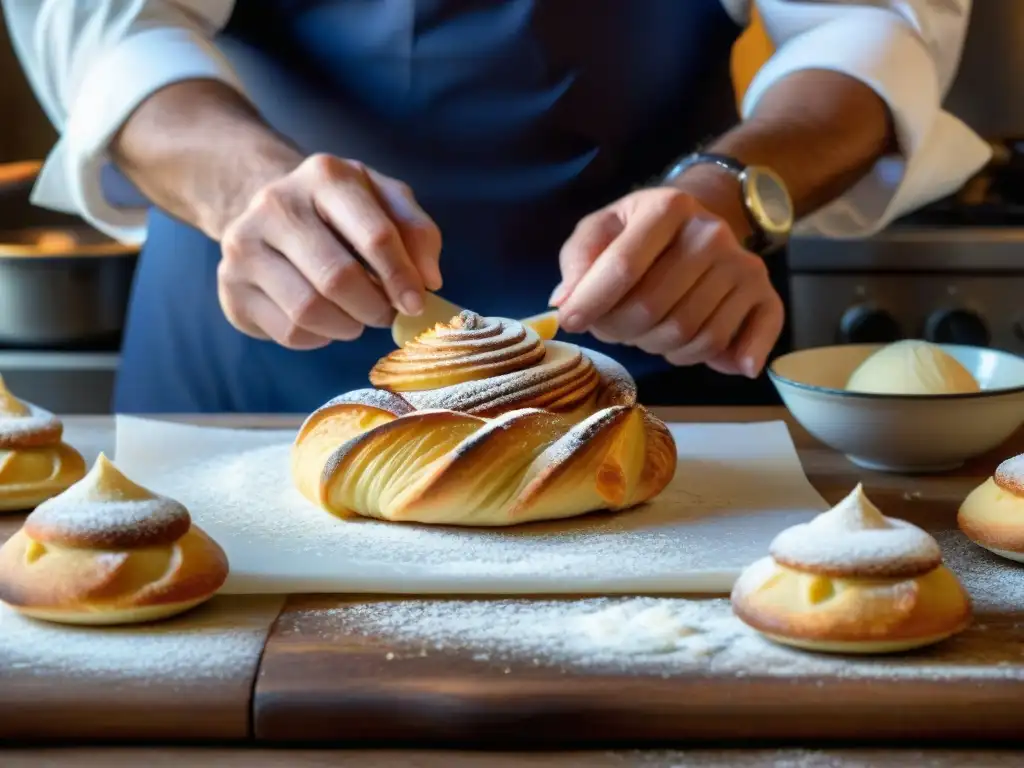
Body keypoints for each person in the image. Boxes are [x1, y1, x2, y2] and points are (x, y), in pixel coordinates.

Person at [4, 1, 990, 414]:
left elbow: (872, 24)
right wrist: (248, 187)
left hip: (661, 369)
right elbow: (101, 22)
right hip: (252, 377)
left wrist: (724, 194)